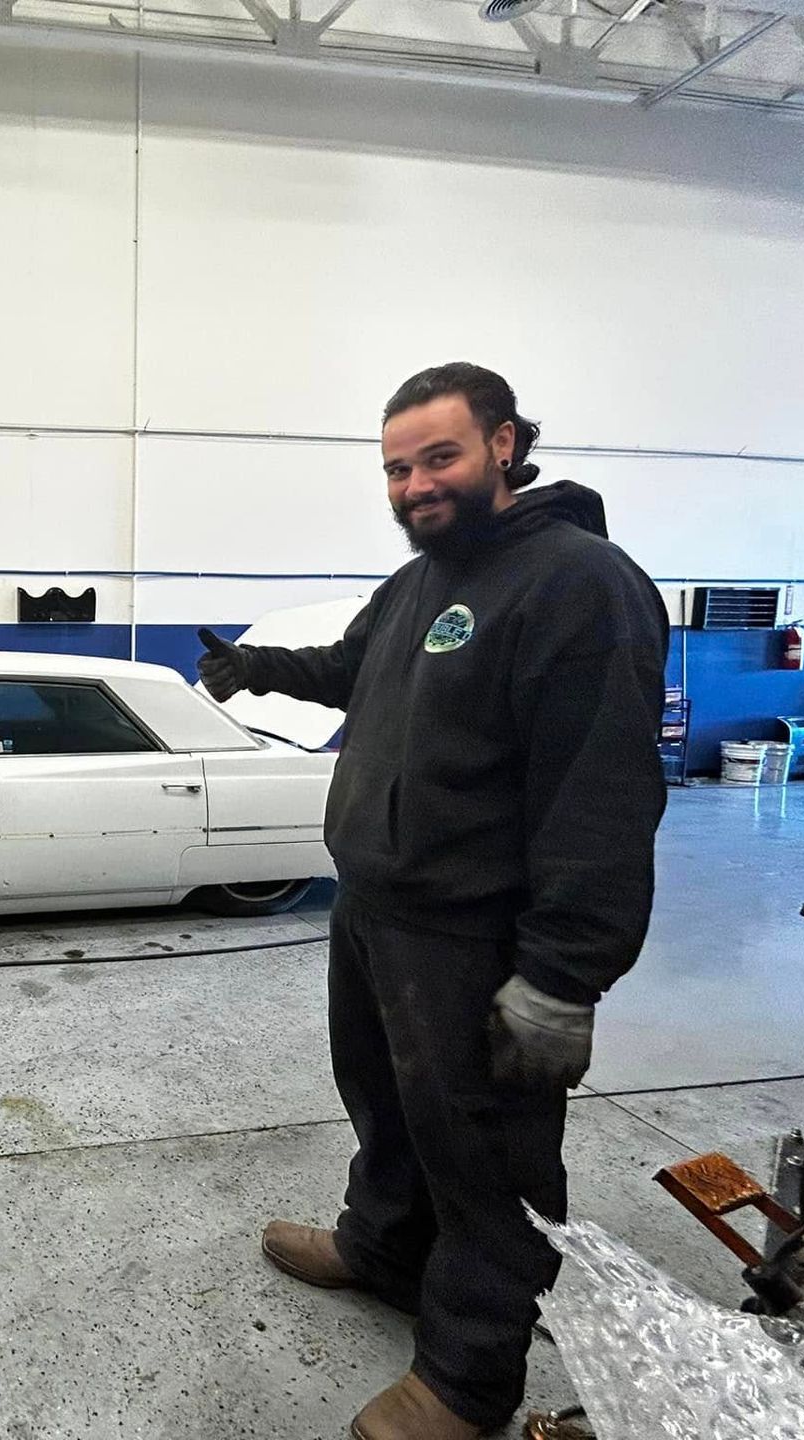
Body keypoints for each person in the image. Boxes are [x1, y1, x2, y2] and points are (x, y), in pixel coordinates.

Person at [197, 363, 667, 1440]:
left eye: (438, 457)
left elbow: (602, 795)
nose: (414, 485)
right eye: (396, 468)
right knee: (388, 1110)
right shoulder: (420, 584)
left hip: (476, 934)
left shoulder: (578, 584)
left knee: (489, 1163)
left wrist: (560, 977)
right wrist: (255, 665)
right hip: (374, 911)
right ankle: (382, 1248)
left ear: (505, 444)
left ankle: (465, 1380)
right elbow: (351, 668)